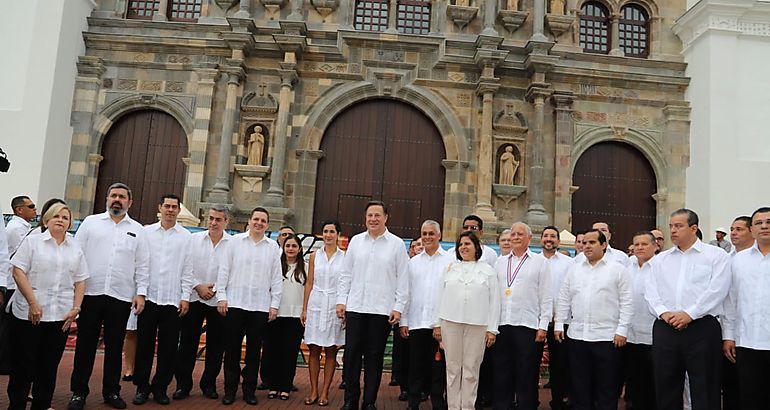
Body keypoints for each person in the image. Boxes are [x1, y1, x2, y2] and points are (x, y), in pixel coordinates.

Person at [68, 182, 150, 410]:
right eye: (113, 195)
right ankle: (78, 392)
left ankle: (111, 392)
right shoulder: (90, 224)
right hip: (90, 294)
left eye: (122, 197)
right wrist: (74, 291)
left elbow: (142, 264)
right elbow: (76, 255)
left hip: (120, 297)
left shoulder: (138, 230)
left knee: (115, 348)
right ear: (107, 199)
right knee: (85, 346)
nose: (117, 199)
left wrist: (140, 293)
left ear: (129, 202)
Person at [645, 209, 731, 410]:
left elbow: (717, 289)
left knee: (704, 384)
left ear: (694, 228)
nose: (673, 231)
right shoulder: (660, 259)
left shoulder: (716, 256)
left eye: (679, 226)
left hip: (702, 327)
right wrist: (663, 313)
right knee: (666, 384)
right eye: (671, 226)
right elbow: (650, 291)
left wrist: (690, 314)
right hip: (666, 327)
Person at [7, 203, 88, 410]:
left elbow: (80, 280)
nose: (61, 220)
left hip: (60, 316)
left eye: (65, 217)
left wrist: (76, 308)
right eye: (56, 216)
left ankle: (41, 405)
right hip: (29, 314)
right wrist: (33, 302)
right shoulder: (33, 242)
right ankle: (16, 405)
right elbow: (18, 272)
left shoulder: (75, 246)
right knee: (23, 365)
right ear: (46, 220)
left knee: (48, 367)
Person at [336, 200, 409, 410]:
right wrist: (342, 300)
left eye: (377, 215)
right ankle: (350, 400)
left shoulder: (396, 244)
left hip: (381, 311)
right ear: (365, 218)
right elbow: (346, 274)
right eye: (370, 215)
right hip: (356, 308)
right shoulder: (356, 242)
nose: (373, 219)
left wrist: (398, 307)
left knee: (374, 358)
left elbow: (402, 280)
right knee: (351, 357)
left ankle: (369, 402)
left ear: (386, 218)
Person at [555, 229, 632, 410]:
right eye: (585, 243)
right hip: (578, 336)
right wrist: (559, 323)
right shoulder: (574, 269)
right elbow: (564, 298)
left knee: (606, 386)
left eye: (592, 242)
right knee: (580, 385)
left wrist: (622, 330)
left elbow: (627, 302)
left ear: (604, 245)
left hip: (607, 337)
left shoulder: (618, 270)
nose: (587, 246)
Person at [216, 206, 283, 405]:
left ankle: (249, 390)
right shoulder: (234, 242)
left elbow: (276, 279)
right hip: (234, 303)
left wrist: (274, 305)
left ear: (267, 225)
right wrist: (221, 296)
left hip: (259, 307)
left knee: (254, 353)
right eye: (256, 219)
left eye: (263, 220)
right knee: (232, 351)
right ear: (250, 221)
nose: (259, 223)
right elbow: (224, 270)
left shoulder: (273, 248)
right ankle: (230, 390)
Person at [131, 194, 194, 405]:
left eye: (174, 207)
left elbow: (188, 269)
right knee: (145, 346)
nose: (170, 210)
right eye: (166, 206)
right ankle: (141, 387)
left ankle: (160, 388)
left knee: (168, 348)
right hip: (149, 298)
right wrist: (140, 292)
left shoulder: (186, 237)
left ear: (178, 210)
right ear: (160, 207)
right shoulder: (146, 232)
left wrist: (185, 297)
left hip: (172, 301)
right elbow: (141, 265)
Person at [433, 231, 500, 410]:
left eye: (468, 244)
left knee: (471, 370)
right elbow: (438, 296)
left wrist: (492, 329)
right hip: (450, 323)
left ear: (477, 247)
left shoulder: (488, 271)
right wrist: (437, 324)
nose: (463, 247)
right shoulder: (449, 269)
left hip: (477, 325)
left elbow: (495, 302)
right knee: (453, 369)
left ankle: (468, 406)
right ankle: (453, 406)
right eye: (461, 245)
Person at [173, 205, 231, 400]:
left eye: (218, 219)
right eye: (211, 218)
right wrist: (198, 286)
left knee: (216, 346)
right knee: (187, 343)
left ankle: (209, 384)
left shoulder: (233, 244)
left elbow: (233, 271)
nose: (213, 222)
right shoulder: (193, 240)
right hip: (194, 297)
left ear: (226, 222)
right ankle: (183, 385)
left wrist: (215, 290)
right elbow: (184, 267)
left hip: (218, 301)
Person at [493, 222, 551, 410]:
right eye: (513, 234)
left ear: (529, 238)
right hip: (502, 324)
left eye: (520, 234)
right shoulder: (500, 262)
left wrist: (543, 326)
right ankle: (503, 405)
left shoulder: (540, 262)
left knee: (526, 372)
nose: (515, 237)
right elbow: (493, 296)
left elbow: (546, 295)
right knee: (502, 370)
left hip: (528, 325)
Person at [400, 220, 453, 410]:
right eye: (424, 233)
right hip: (416, 322)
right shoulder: (413, 263)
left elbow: (450, 294)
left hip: (440, 325)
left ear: (439, 235)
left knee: (438, 368)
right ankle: (413, 403)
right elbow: (406, 292)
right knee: (415, 366)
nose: (428, 237)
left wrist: (442, 323)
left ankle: (438, 403)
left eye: (431, 233)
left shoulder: (450, 261)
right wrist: (403, 321)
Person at [722, 207, 770, 409]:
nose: (765, 226)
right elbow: (731, 300)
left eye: (769, 221)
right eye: (759, 223)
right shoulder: (738, 261)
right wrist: (729, 335)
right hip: (747, 341)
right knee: (750, 397)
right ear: (752, 229)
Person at [301, 220, 345, 407]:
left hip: (334, 305)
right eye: (325, 231)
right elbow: (309, 282)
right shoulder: (313, 256)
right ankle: (313, 390)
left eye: (332, 231)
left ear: (338, 234)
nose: (328, 235)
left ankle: (325, 392)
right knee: (314, 350)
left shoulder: (345, 257)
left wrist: (345, 307)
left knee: (330, 351)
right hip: (316, 304)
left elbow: (346, 284)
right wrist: (304, 308)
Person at [262, 234, 306, 401]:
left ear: (300, 249)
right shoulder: (276, 267)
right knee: (273, 352)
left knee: (290, 353)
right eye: (288, 246)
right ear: (283, 247)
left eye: (294, 246)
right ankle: (273, 386)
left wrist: (305, 310)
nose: (291, 249)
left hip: (295, 317)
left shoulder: (306, 268)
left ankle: (285, 386)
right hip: (276, 315)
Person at [257, 223, 295, 392]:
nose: (286, 238)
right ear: (279, 239)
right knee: (269, 347)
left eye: (290, 235)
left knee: (288, 349)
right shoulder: (271, 257)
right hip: (272, 309)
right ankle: (267, 379)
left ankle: (285, 381)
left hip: (291, 311)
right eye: (283, 235)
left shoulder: (302, 265)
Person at [721, 215, 753, 410]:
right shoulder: (726, 259)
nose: (733, 233)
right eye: (732, 229)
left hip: (757, 335)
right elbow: (727, 300)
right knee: (732, 386)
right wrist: (728, 335)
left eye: (739, 229)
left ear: (752, 232)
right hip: (733, 333)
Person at [541, 225, 574, 410]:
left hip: (560, 320)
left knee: (560, 363)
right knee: (530, 362)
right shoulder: (534, 260)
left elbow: (569, 290)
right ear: (541, 239)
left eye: (553, 236)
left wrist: (560, 314)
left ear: (558, 241)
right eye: (546, 236)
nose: (549, 239)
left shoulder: (568, 263)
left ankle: (558, 400)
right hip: (537, 321)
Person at [623, 231, 658, 410]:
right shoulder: (628, 269)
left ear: (655, 246)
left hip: (654, 335)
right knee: (634, 379)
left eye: (644, 244)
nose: (640, 248)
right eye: (636, 244)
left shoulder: (661, 268)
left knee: (653, 382)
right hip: (631, 334)